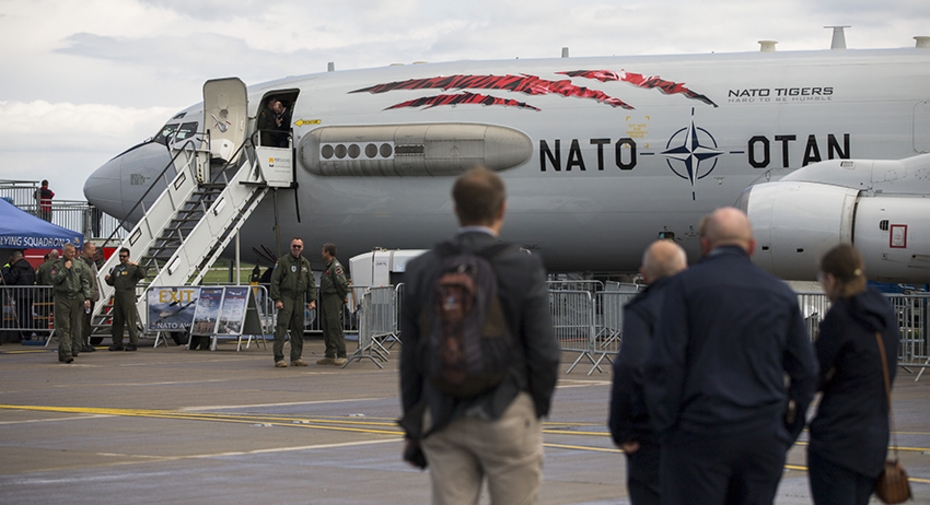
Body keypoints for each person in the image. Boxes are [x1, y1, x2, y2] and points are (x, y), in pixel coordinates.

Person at [399, 166, 561, 504]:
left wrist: (416, 422)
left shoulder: (422, 269)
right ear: (502, 209)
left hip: (443, 412)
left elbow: (410, 359)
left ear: (456, 210)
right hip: (507, 410)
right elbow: (544, 351)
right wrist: (534, 406)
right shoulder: (522, 267)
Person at [642, 207, 818, 505]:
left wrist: (668, 428)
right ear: (750, 246)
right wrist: (787, 429)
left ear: (706, 245)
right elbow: (806, 371)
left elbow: (662, 365)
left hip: (699, 433)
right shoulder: (779, 294)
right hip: (762, 435)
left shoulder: (683, 288)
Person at [807, 244, 899, 505]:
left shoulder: (841, 316)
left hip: (837, 441)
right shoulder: (882, 311)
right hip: (873, 442)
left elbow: (814, 373)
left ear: (832, 279)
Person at [608, 240, 687, 505]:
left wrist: (622, 430)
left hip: (655, 430)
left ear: (644, 273)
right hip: (705, 426)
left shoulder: (643, 309)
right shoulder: (706, 303)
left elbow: (630, 366)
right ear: (684, 269)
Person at [270, 237, 317, 367]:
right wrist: (277, 299)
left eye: (299, 247)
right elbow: (275, 281)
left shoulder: (305, 263)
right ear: (290, 247)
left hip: (299, 297)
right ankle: (278, 357)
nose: (296, 249)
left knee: (298, 328)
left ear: (302, 248)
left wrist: (312, 299)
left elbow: (311, 282)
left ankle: (296, 357)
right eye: (294, 246)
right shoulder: (283, 262)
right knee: (282, 326)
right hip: (286, 296)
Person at [49, 244, 92, 363]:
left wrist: (87, 297)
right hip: (63, 297)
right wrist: (65, 269)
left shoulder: (79, 264)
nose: (73, 254)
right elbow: (54, 279)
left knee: (74, 326)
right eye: (70, 252)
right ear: (64, 252)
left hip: (76, 297)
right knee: (64, 327)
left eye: (74, 252)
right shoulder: (57, 265)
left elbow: (85, 281)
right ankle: (67, 353)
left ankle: (65, 351)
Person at [104, 247, 147, 352]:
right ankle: (117, 343)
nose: (122, 258)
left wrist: (138, 266)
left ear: (128, 257)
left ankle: (133, 342)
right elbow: (113, 282)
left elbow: (142, 274)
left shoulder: (132, 268)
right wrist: (108, 280)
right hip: (118, 294)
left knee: (130, 320)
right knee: (117, 321)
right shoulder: (117, 268)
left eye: (124, 256)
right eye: (120, 256)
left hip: (128, 294)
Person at [317, 243, 349, 366]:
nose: (321, 253)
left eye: (323, 251)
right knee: (326, 326)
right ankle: (330, 354)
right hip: (326, 298)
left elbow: (341, 283)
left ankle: (342, 354)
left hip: (333, 297)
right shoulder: (328, 266)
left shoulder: (335, 267)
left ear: (327, 252)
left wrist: (342, 297)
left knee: (334, 326)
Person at [2, 250, 37, 343]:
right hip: (29, 294)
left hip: (19, 294)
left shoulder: (16, 268)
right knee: (28, 314)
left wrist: (5, 270)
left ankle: (21, 334)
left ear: (15, 259)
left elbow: (10, 280)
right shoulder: (29, 267)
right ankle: (28, 333)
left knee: (21, 315)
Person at [79, 242, 100, 353]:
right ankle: (81, 343)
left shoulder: (90, 263)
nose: (94, 252)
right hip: (85, 297)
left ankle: (86, 342)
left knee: (87, 321)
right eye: (92, 249)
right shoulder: (81, 263)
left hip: (91, 296)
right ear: (86, 250)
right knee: (82, 321)